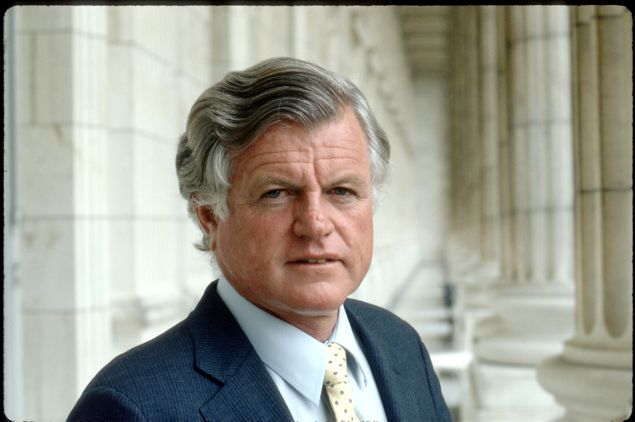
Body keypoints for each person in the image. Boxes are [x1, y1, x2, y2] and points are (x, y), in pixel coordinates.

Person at [68, 57, 451, 422]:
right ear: (210, 216)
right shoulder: (132, 408)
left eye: (342, 191)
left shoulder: (402, 346)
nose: (316, 224)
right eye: (277, 194)